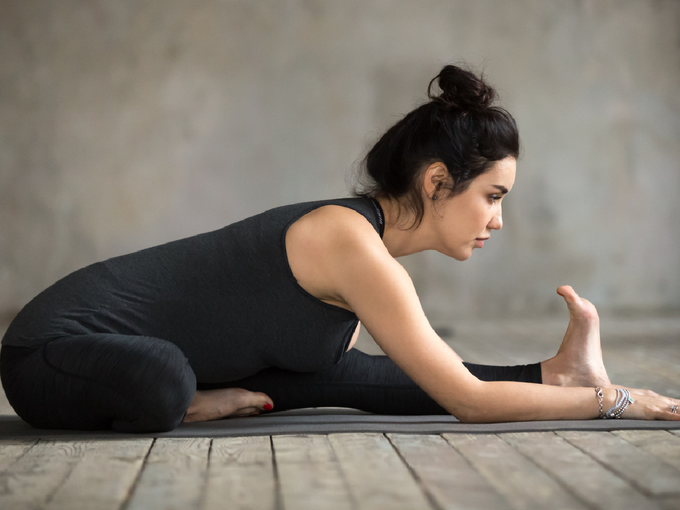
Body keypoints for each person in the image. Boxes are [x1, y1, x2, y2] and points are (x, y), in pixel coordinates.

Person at [1, 65, 678, 432]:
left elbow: (383, 381)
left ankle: (192, 392)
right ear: (438, 182)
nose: (498, 221)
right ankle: (192, 398)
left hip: (113, 359)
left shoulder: (359, 259)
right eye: (493, 197)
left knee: (322, 381)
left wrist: (548, 376)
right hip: (47, 356)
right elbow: (469, 402)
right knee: (166, 382)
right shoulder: (348, 242)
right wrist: (613, 400)